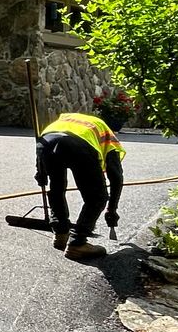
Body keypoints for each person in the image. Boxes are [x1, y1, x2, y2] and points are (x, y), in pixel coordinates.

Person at [35, 110, 125, 260]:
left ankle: (61, 233)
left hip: (46, 141)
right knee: (97, 197)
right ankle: (78, 242)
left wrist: (41, 172)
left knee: (56, 187)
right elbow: (116, 177)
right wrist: (112, 209)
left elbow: (44, 143)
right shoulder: (108, 136)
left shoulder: (65, 121)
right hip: (76, 145)